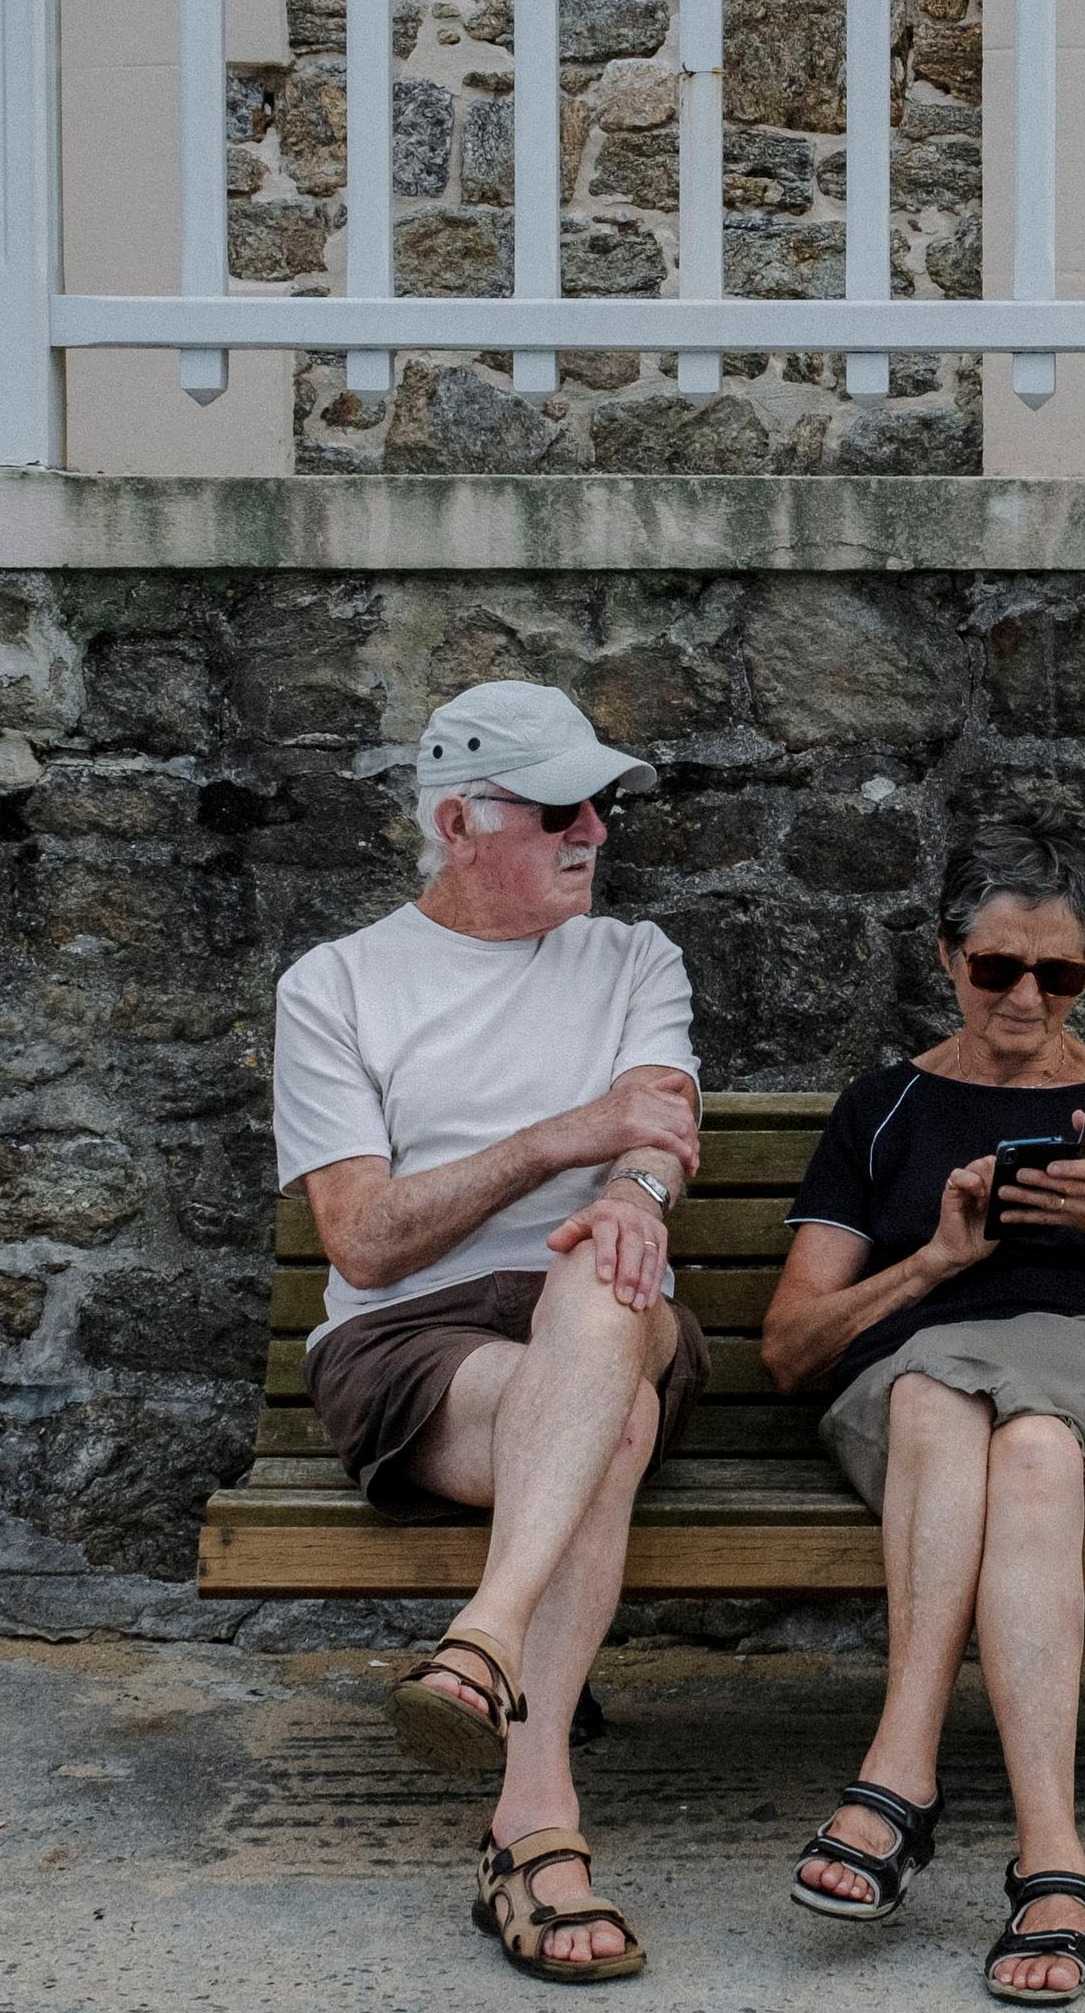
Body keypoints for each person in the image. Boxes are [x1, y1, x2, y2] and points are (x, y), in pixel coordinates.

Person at [758, 826, 1085, 2007]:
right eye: (998, 969)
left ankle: (897, 1784)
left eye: (1060, 975)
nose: (1027, 996)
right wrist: (932, 1261)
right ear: (947, 959)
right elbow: (789, 1349)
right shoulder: (880, 1109)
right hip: (920, 1402)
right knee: (981, 1414)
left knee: (1013, 1415)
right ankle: (1051, 1857)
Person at [272, 680, 710, 1986]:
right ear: (460, 821)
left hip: (602, 1297)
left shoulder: (635, 958)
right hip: (412, 1347)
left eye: (603, 806)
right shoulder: (339, 985)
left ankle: (488, 1643)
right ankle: (532, 1823)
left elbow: (663, 1123)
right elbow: (362, 1238)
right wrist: (569, 1146)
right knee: (610, 1415)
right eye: (561, 807)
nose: (596, 831)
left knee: (603, 1293)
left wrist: (633, 1195)